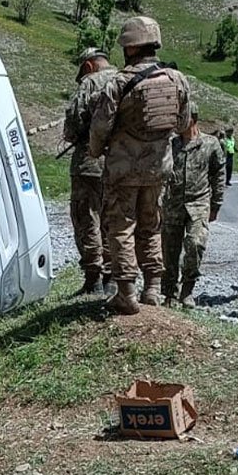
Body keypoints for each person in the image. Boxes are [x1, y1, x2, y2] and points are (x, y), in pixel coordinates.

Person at [89, 16, 192, 314]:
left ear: (130, 47)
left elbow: (100, 128)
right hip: (158, 169)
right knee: (151, 225)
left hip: (123, 171)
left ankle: (126, 292)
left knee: (121, 227)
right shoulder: (177, 79)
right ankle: (153, 289)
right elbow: (184, 123)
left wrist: (98, 151)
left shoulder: (118, 83)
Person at [63, 48, 118, 294]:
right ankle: (113, 277)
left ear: (88, 66)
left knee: (87, 218)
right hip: (119, 163)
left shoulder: (90, 82)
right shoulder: (124, 78)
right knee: (113, 220)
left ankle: (93, 278)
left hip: (90, 163)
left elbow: (74, 121)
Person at [161, 101, 225, 308]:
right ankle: (170, 293)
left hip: (198, 203)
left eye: (182, 118)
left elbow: (218, 174)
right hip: (172, 204)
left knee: (196, 244)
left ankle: (187, 289)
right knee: (169, 250)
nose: (178, 122)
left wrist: (216, 204)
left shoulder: (211, 144)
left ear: (193, 119)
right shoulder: (171, 143)